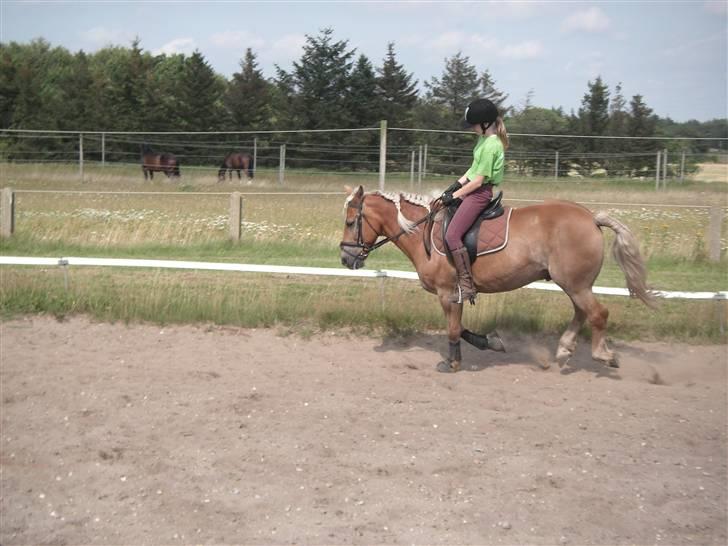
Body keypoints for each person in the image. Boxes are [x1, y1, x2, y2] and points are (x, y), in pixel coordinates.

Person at [441, 98, 509, 305]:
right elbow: (473, 170)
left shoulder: (492, 145)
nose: (471, 128)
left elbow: (479, 180)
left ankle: (467, 286)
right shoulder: (482, 140)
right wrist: (455, 185)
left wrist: (455, 195)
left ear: (485, 123)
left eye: (473, 124)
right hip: (473, 189)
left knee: (452, 235)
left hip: (480, 193)